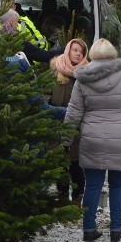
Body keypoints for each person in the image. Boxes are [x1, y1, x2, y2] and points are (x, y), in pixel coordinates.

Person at [64, 38, 121, 242]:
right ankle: (116, 230)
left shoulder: (82, 80)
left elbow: (73, 113)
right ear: (112, 54)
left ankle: (88, 229)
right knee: (118, 186)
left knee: (92, 186)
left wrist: (65, 140)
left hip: (92, 139)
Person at [49, 38, 89, 205]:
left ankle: (78, 196)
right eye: (75, 50)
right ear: (68, 51)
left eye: (81, 51)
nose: (78, 53)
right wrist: (51, 104)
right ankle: (62, 194)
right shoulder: (55, 70)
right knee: (60, 161)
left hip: (77, 127)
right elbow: (43, 92)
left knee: (75, 163)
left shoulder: (86, 75)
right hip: (57, 124)